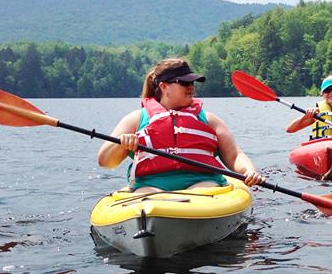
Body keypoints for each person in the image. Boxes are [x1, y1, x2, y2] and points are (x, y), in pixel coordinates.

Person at [97, 58, 265, 193]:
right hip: (151, 185)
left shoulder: (209, 120)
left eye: (193, 82)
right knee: (147, 199)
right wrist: (120, 143)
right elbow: (105, 161)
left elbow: (234, 155)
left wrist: (249, 170)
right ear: (164, 87)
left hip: (202, 182)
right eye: (184, 82)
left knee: (201, 193)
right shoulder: (136, 119)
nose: (191, 86)